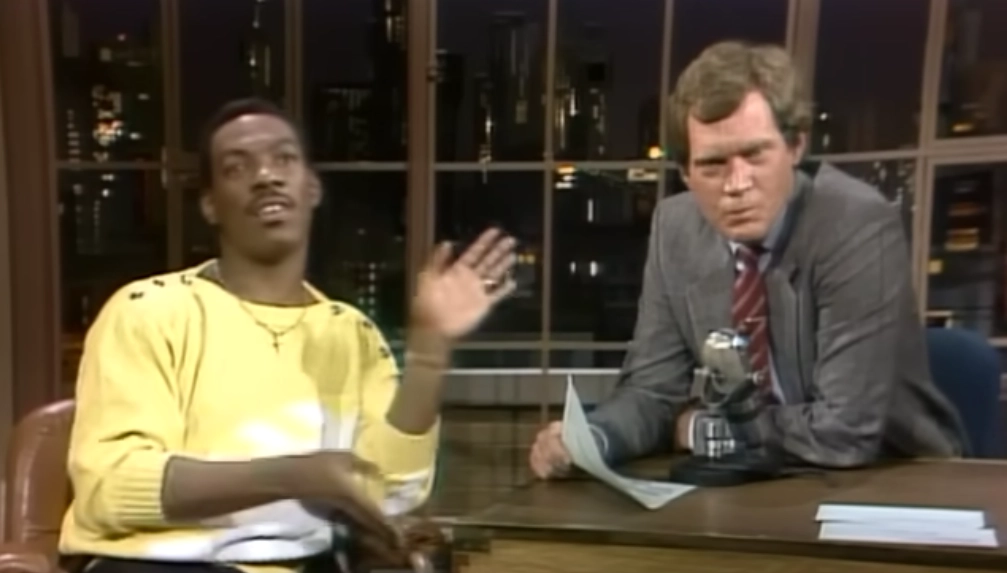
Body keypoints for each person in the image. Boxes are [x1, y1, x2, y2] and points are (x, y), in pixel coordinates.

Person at [59, 98, 517, 573]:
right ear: (211, 205)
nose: (265, 176)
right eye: (237, 167)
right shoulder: (150, 311)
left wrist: (429, 354)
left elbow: (391, 490)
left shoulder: (349, 332)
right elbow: (107, 490)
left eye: (284, 159)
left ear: (312, 187)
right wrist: (293, 475)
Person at [530, 41, 966, 479]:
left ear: (795, 148)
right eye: (713, 165)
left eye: (755, 155)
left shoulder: (855, 223)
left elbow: (844, 432)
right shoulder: (675, 229)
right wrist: (592, 440)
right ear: (685, 172)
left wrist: (702, 430)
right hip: (755, 477)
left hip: (892, 473)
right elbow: (651, 390)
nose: (737, 184)